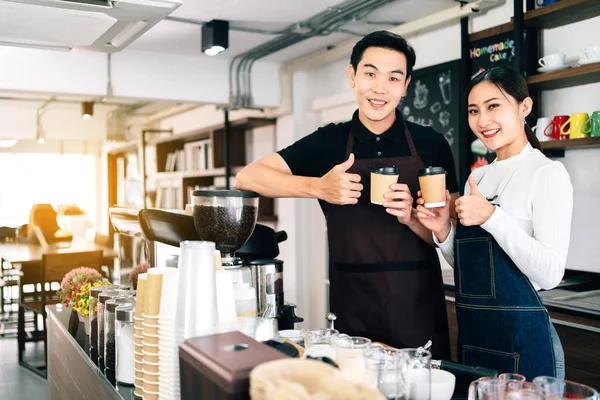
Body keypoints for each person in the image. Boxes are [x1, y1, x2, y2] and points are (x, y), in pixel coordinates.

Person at [235, 30, 459, 358]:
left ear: (406, 85)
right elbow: (247, 177)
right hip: (354, 304)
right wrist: (317, 187)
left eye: (393, 78)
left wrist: (412, 218)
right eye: (370, 74)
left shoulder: (432, 144)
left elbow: (447, 231)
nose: (380, 88)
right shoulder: (329, 142)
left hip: (419, 305)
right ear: (353, 76)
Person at [416, 65, 572, 379]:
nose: (482, 120)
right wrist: (443, 232)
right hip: (476, 339)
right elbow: (473, 270)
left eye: (493, 106)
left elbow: (551, 273)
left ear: (524, 107)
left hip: (524, 344)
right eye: (474, 110)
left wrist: (492, 217)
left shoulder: (547, 173)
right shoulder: (481, 177)